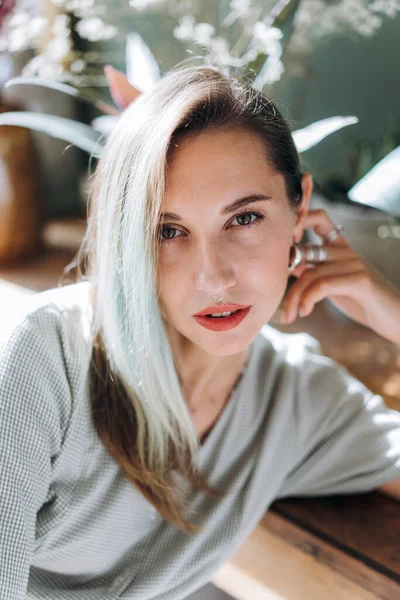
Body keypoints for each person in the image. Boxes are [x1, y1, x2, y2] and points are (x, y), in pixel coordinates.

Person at [1, 64, 400, 600]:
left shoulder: (296, 397)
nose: (213, 277)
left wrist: (388, 312)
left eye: (244, 219)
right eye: (169, 231)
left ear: (299, 206)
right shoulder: (46, 355)